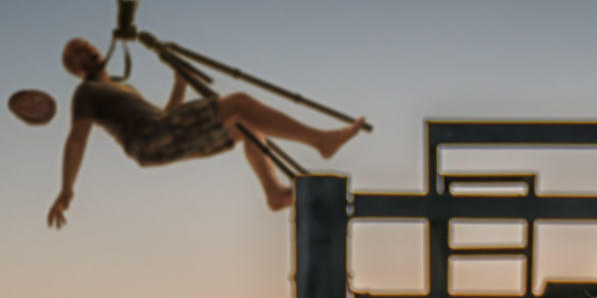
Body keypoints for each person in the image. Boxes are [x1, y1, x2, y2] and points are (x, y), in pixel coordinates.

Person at [46, 37, 364, 219]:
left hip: (158, 135)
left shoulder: (120, 87)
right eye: (80, 55)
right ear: (77, 69)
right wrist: (67, 188)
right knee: (239, 102)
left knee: (245, 123)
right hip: (149, 139)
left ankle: (274, 193)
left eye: (87, 47)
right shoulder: (86, 93)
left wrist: (180, 83)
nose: (89, 52)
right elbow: (76, 140)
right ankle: (321, 141)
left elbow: (167, 115)